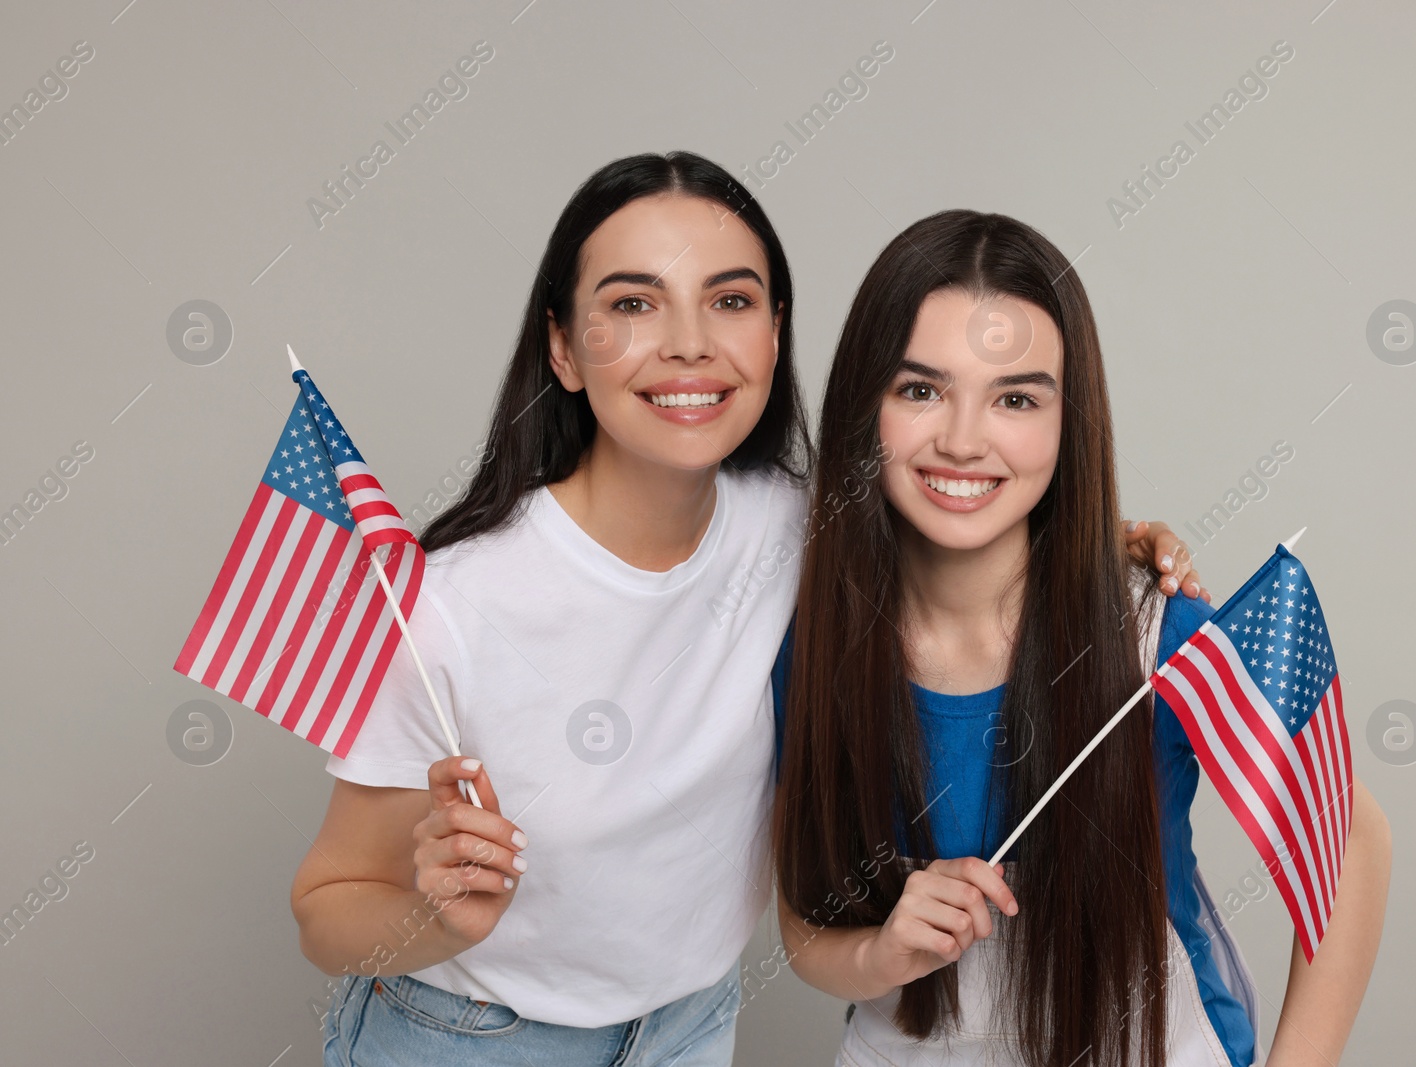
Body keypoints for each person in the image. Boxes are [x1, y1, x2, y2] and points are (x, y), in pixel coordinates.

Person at [289, 152, 1207, 1067]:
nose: (690, 343)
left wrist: (1106, 540)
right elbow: (326, 911)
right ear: (563, 346)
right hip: (470, 1039)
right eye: (633, 303)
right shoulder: (450, 600)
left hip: (690, 1031)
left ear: (775, 334)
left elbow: (957, 492)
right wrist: (437, 917)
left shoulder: (793, 526)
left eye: (729, 300)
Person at [771, 209, 1392, 1066]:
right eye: (920, 389)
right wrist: (881, 953)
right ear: (862, 405)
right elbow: (804, 925)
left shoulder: (1157, 637)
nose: (961, 439)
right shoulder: (813, 642)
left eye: (1016, 398)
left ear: (1070, 422)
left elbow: (1351, 837)